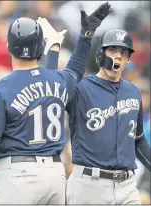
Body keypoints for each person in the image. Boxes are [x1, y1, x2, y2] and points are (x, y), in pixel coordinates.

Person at [0, 2, 111, 204]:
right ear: (40, 47)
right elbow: (75, 70)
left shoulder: (0, 89)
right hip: (55, 175)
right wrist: (86, 35)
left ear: (8, 46)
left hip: (18, 176)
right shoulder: (57, 80)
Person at [45, 28, 151, 204]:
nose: (118, 56)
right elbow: (51, 92)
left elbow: (138, 139)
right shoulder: (81, 88)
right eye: (112, 50)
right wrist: (53, 50)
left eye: (123, 52)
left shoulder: (133, 92)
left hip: (127, 186)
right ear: (100, 54)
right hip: (89, 185)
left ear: (129, 58)